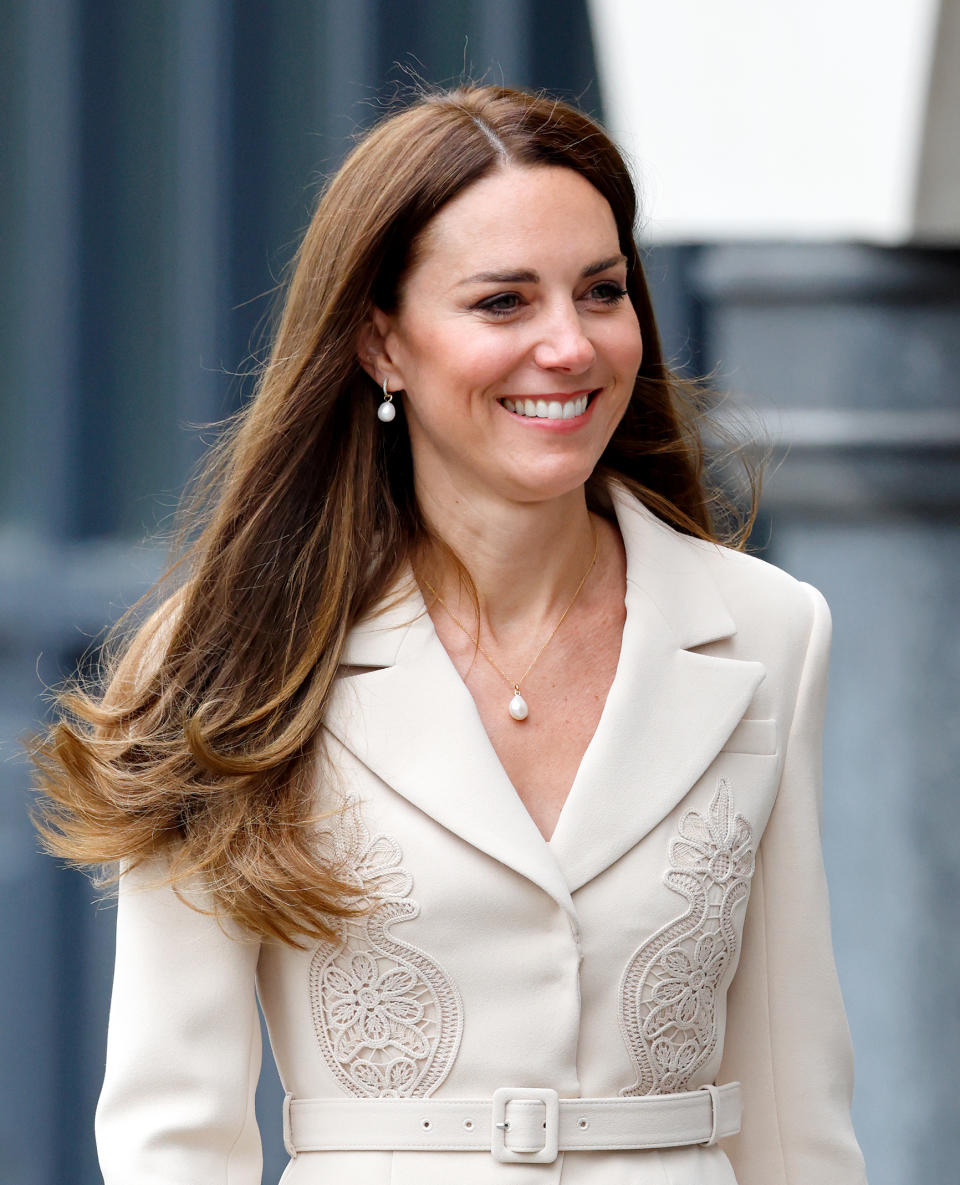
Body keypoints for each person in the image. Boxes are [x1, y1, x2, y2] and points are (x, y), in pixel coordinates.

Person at [33, 85, 868, 1185]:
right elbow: (172, 1134)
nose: (569, 345)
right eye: (502, 303)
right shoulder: (230, 656)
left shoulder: (770, 630)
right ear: (382, 341)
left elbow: (796, 1104)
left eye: (602, 291)